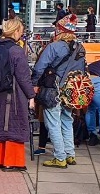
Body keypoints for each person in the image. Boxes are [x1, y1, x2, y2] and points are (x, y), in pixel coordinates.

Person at [0, 18, 35, 171]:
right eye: (21, 31)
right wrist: (31, 96)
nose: (22, 34)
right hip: (13, 95)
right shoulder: (16, 51)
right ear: (15, 32)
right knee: (14, 125)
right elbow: (23, 77)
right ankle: (12, 162)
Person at [31, 33, 85, 169]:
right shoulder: (80, 48)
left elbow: (39, 67)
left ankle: (60, 157)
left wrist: (34, 83)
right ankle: (70, 154)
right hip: (71, 91)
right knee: (67, 121)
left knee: (53, 123)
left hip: (53, 89)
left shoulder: (54, 47)